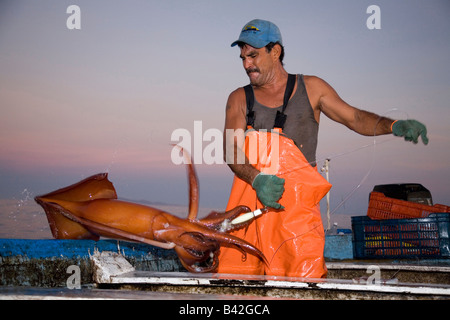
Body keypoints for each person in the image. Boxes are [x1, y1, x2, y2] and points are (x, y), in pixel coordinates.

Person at [218, 19, 428, 278]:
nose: (247, 64)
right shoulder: (238, 98)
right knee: (239, 281)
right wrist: (257, 178)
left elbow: (355, 118)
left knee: (304, 279)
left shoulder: (312, 88)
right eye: (242, 57)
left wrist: (393, 125)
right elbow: (231, 151)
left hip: (296, 214)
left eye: (253, 55)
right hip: (250, 210)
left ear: (276, 52)